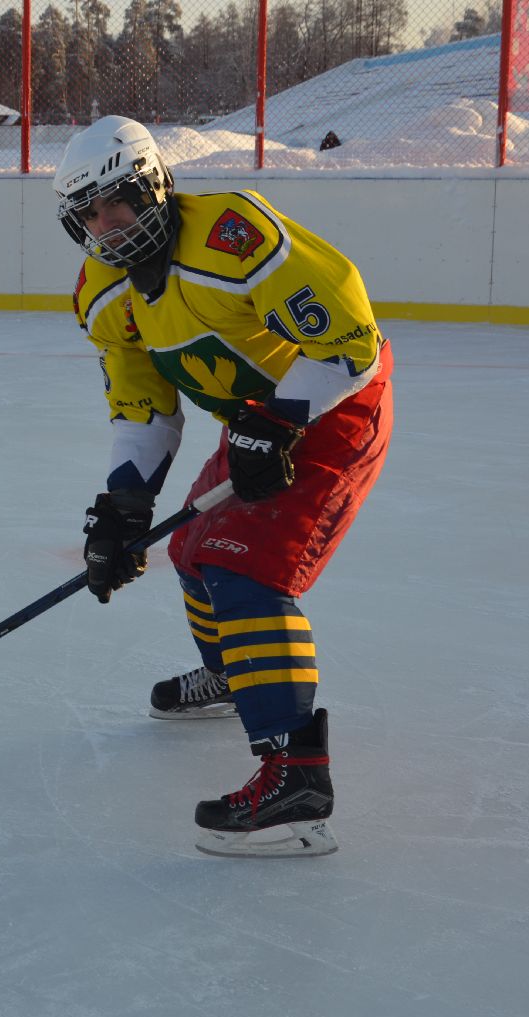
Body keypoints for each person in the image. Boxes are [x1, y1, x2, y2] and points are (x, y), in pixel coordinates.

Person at [54, 116, 394, 857]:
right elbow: (143, 407)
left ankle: (296, 780)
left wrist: (277, 421)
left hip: (331, 413)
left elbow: (350, 343)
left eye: (121, 202)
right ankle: (235, 676)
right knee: (190, 547)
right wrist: (123, 506)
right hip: (255, 421)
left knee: (244, 565)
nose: (108, 226)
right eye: (90, 214)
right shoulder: (105, 292)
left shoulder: (233, 237)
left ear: (156, 186)